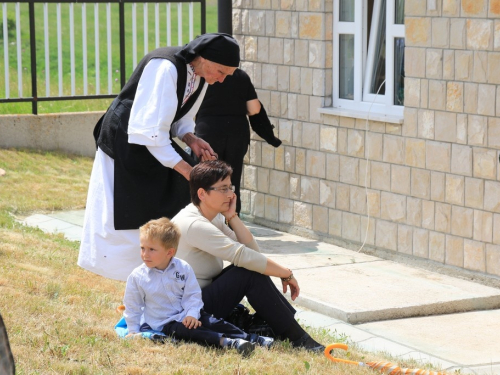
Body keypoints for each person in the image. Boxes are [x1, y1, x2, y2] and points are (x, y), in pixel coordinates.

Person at [78, 33, 240, 281]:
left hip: (154, 141)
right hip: (127, 141)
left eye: (226, 75)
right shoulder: (165, 67)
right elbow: (150, 132)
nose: (220, 79)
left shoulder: (202, 76)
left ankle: (166, 271)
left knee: (175, 199)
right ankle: (133, 277)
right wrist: (189, 171)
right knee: (132, 207)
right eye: (220, 71)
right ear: (204, 58)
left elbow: (181, 117)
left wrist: (191, 139)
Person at [172, 160, 325, 353]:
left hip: (200, 298)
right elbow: (243, 255)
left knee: (250, 269)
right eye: (223, 189)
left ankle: (290, 330)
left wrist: (232, 216)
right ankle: (299, 338)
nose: (230, 194)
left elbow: (252, 253)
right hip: (188, 311)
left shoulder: (212, 216)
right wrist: (285, 273)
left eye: (230, 187)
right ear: (202, 193)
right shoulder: (194, 224)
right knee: (248, 273)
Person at [123, 217, 274, 355]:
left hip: (188, 314)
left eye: (151, 249)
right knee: (192, 332)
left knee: (215, 323)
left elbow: (192, 295)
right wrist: (133, 331)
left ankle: (254, 339)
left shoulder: (183, 268)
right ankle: (229, 343)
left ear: (170, 252)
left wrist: (192, 314)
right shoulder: (138, 277)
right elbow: (133, 306)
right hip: (165, 323)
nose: (145, 254)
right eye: (142, 248)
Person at [195, 68, 281, 214]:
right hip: (237, 132)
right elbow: (254, 109)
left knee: (206, 179)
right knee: (232, 180)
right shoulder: (240, 75)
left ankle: (206, 220)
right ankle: (232, 222)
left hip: (208, 131)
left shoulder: (202, 73)